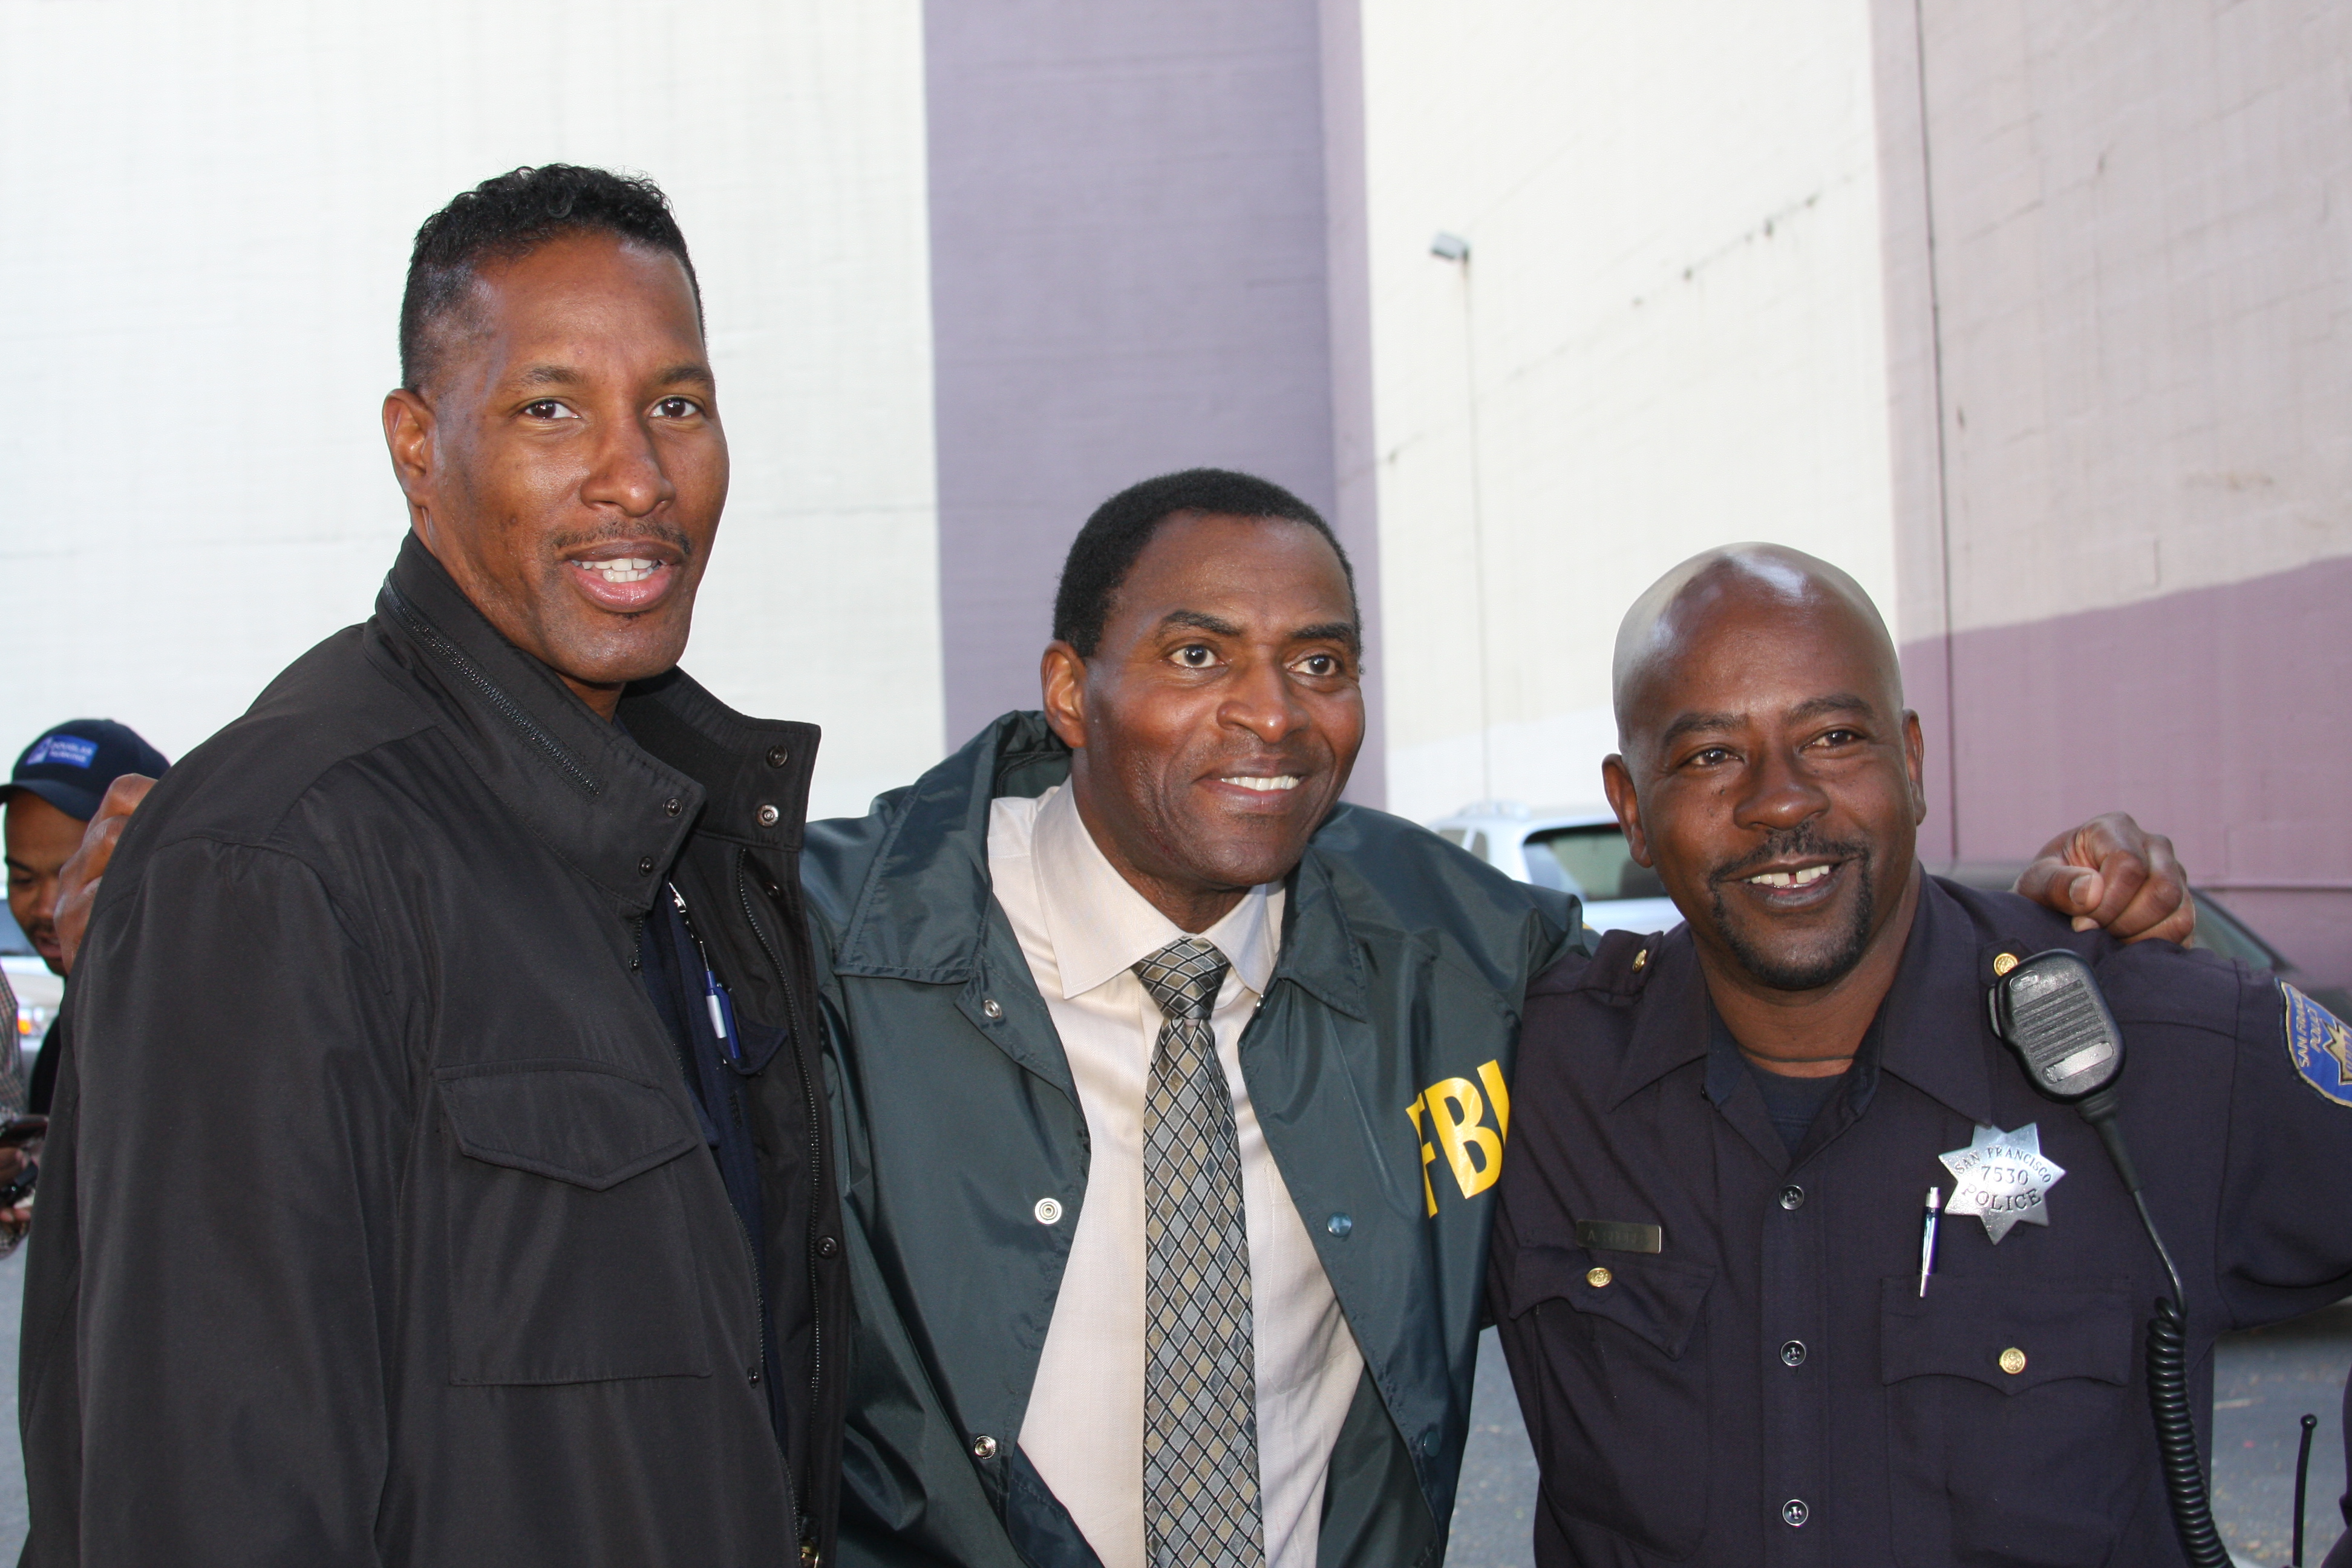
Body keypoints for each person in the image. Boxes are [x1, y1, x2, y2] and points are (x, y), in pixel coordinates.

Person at [808, 472, 2190, 1568]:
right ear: (1070, 691)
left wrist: (2045, 922)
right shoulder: (818, 951)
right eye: (1195, 652)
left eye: (1320, 662)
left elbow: (1764, 943)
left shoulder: (1465, 953)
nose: (1271, 713)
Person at [19, 166, 842, 1566]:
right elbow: (208, 1498)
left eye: (677, 406)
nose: (636, 475)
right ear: (417, 444)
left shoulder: (698, 842)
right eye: (551, 408)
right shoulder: (276, 855)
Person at [1490, 543, 2352, 1567]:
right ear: (1630, 806)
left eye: (1834, 736)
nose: (1781, 800)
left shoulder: (2162, 1050)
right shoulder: (1535, 1076)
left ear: (1912, 762)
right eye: (1711, 755)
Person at [2, 719, 170, 1114]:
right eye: (23, 879)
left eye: (70, 876)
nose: (46, 908)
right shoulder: (62, 1040)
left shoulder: (175, 1034)